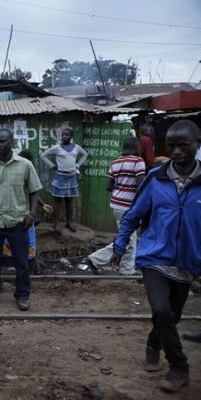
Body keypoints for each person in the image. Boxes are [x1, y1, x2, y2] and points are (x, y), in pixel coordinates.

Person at [111, 120, 201, 393]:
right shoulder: (155, 178)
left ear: (197, 143)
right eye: (171, 145)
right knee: (161, 309)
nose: (175, 151)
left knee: (170, 316)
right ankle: (179, 367)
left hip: (188, 261)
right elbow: (133, 215)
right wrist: (119, 245)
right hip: (154, 256)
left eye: (183, 145)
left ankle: (153, 343)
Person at [0, 129, 43, 311]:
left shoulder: (25, 165)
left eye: (2, 141)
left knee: (21, 261)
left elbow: (34, 191)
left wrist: (31, 214)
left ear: (11, 142)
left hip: (18, 222)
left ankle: (22, 295)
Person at [84, 137, 145, 275]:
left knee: (129, 238)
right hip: (129, 206)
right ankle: (96, 260)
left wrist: (122, 188)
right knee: (128, 239)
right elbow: (141, 184)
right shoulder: (138, 161)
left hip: (116, 204)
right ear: (136, 147)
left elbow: (109, 186)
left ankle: (126, 268)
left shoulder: (115, 162)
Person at [41, 127, 87, 233]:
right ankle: (56, 223)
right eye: (62, 135)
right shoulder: (57, 148)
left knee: (69, 201)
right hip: (60, 178)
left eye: (66, 135)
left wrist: (77, 165)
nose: (64, 137)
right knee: (57, 201)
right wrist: (52, 166)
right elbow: (43, 155)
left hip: (72, 177)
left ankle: (69, 222)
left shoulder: (76, 147)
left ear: (71, 137)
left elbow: (85, 155)